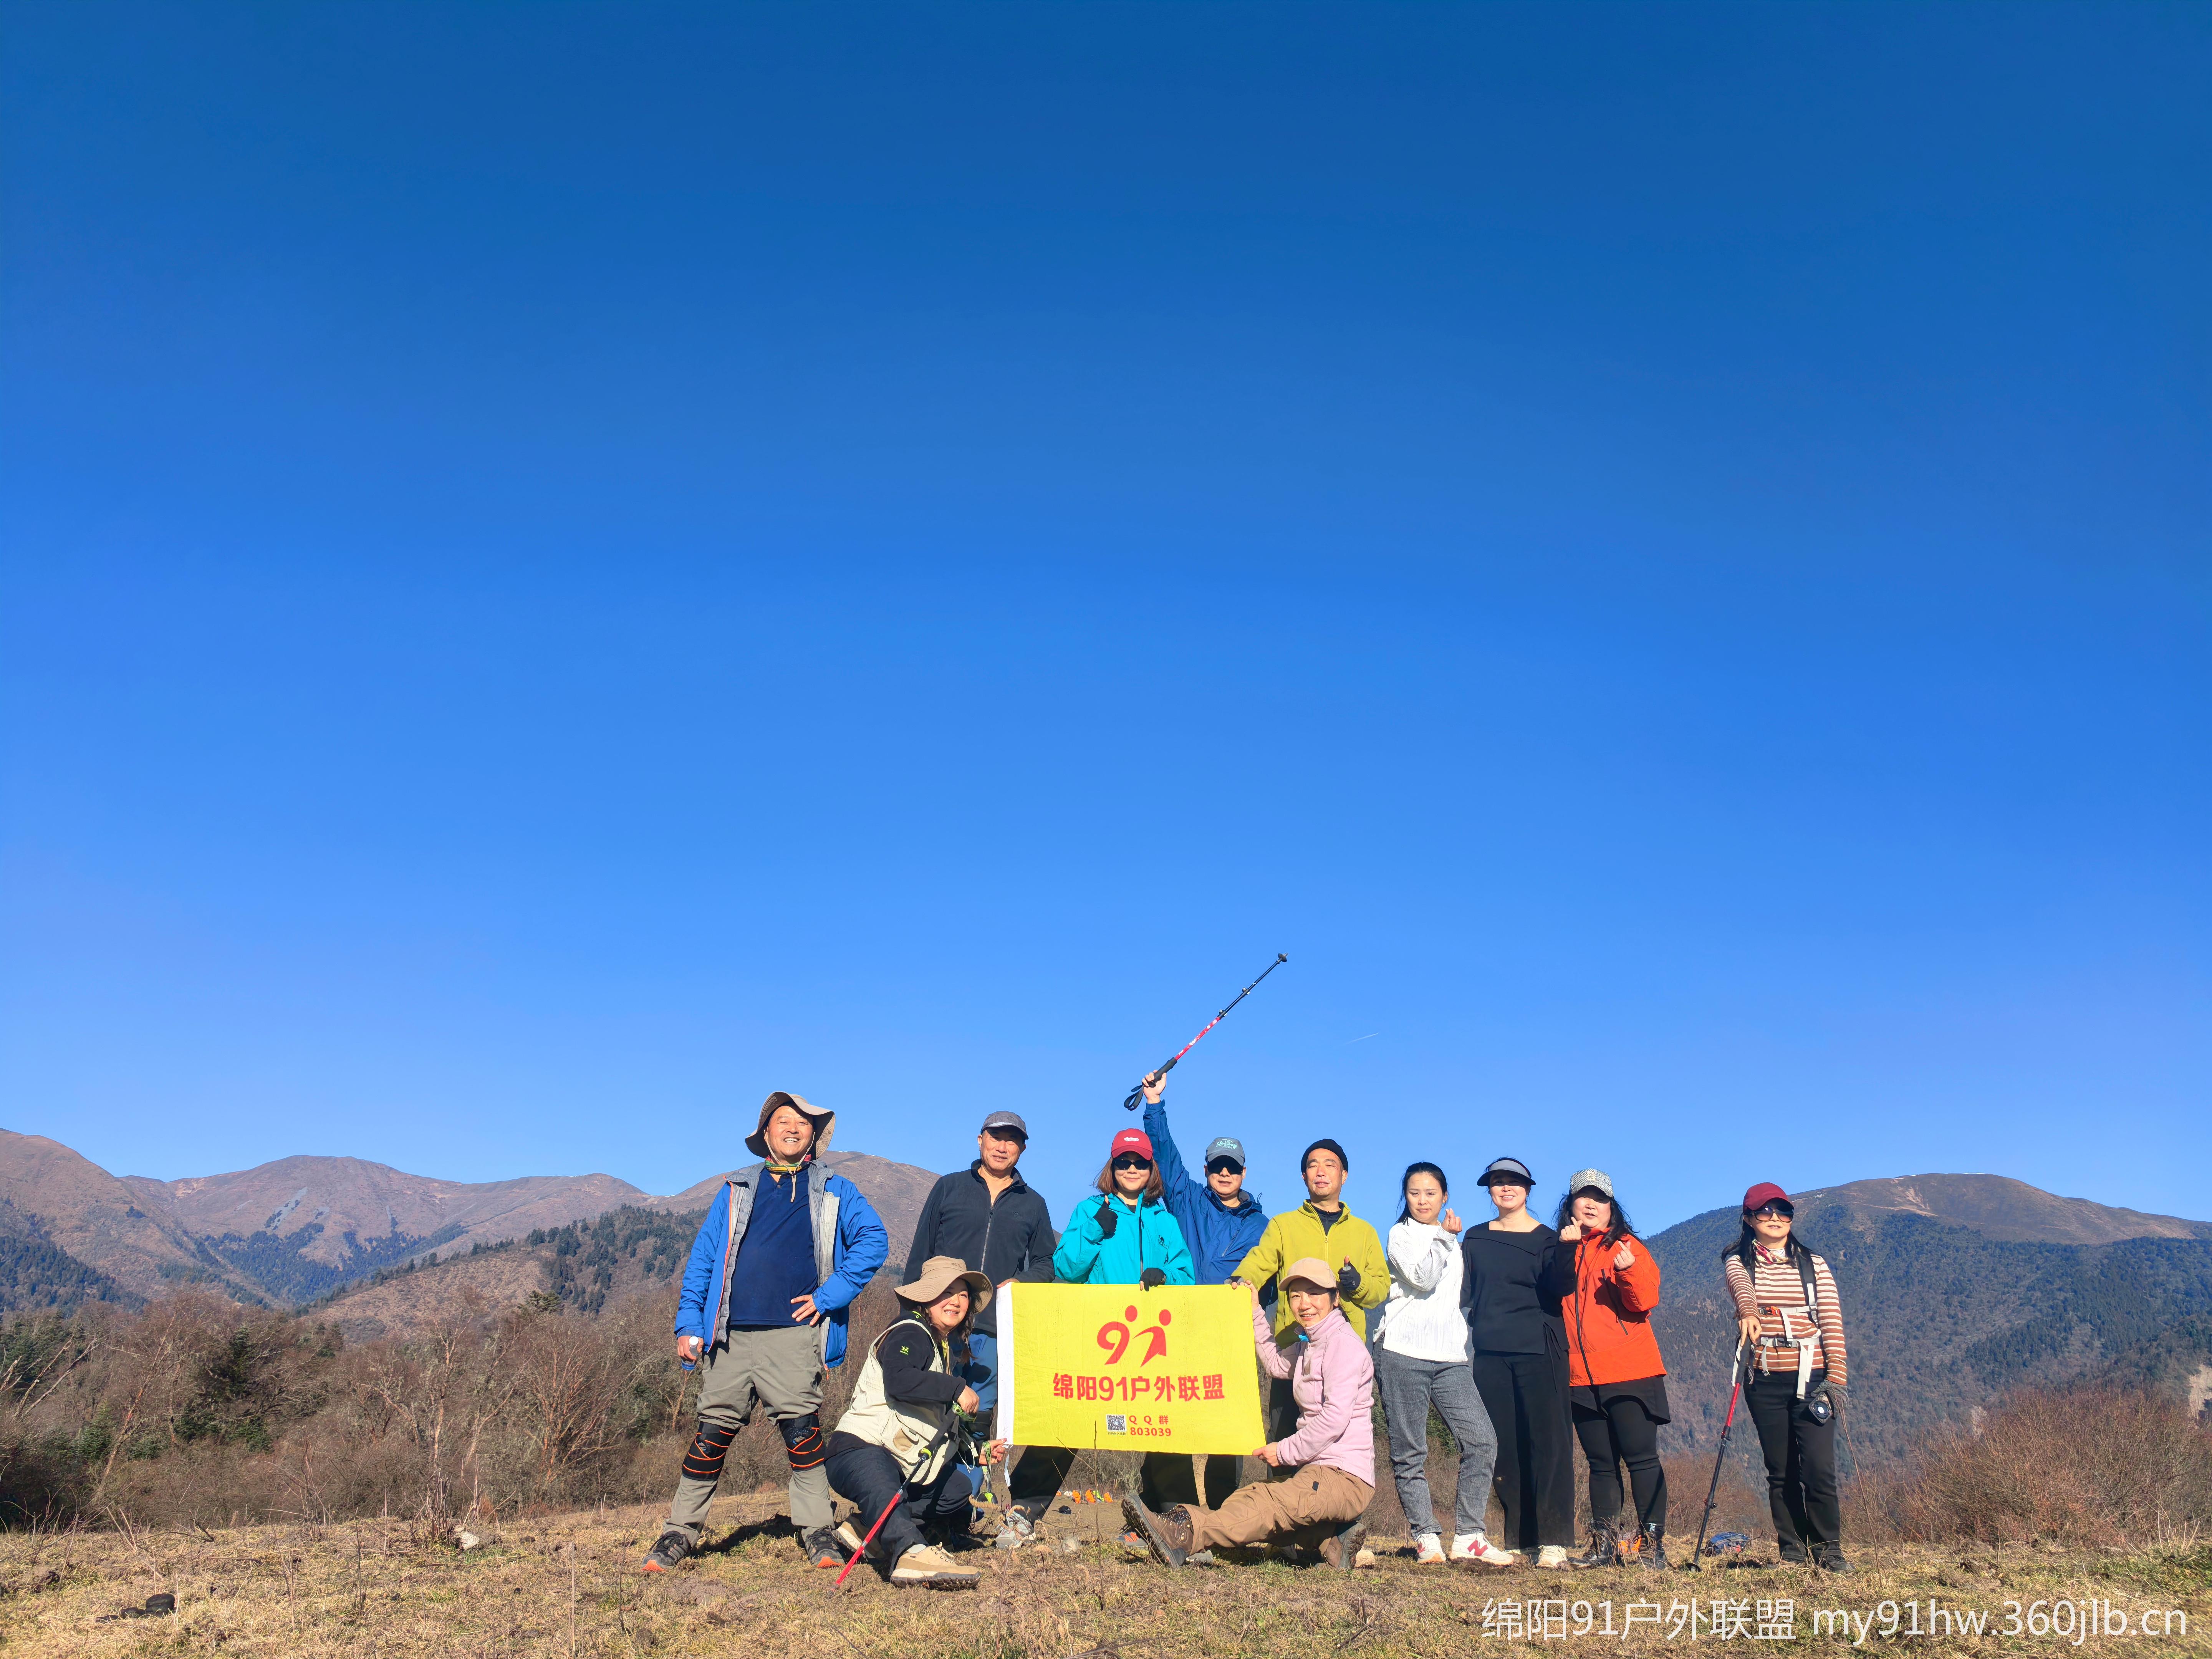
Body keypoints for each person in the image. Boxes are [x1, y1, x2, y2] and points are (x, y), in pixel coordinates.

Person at [643, 1091, 889, 1574]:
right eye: (783, 1120)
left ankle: (818, 1531)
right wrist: (690, 1323)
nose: (793, 1128)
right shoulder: (736, 1189)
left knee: (802, 1432)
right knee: (711, 1434)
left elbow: (874, 1241)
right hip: (729, 1336)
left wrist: (827, 1297)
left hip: (795, 1334)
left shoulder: (836, 1189)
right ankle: (679, 1532)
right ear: (766, 1133)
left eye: (803, 1122)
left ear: (813, 1135)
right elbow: (704, 1259)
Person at [1121, 1258, 1375, 1571]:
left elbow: (1334, 1419)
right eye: (1296, 1296)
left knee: (1267, 1506)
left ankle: (1183, 1535)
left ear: (1335, 1298)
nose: (1304, 1304)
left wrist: (1283, 1451)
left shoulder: (1343, 1346)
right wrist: (1254, 1310)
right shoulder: (1310, 1341)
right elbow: (1276, 1364)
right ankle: (1333, 1540)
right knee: (1252, 1497)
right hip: (1319, 1472)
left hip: (1344, 1477)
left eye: (1314, 1294)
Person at [904, 1110, 1063, 1549]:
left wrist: (1020, 1282)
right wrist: (910, 1314)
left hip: (993, 1331)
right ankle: (914, 1510)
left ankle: (958, 1516)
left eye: (1012, 1140)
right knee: (929, 1416)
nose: (1002, 1145)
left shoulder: (1034, 1204)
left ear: (1022, 1149)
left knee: (975, 1424)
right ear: (980, 1140)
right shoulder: (949, 1187)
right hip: (938, 1325)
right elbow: (920, 1251)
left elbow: (1046, 1264)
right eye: (996, 1137)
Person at [824, 1255, 1007, 1588]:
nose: (956, 1302)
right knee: (882, 1479)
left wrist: (976, 1451)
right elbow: (900, 1379)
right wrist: (956, 1388)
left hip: (898, 1461)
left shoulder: (939, 1347)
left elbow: (933, 1424)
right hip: (861, 1450)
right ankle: (911, 1552)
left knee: (956, 1489)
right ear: (926, 1297)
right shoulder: (910, 1331)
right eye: (946, 1292)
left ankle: (867, 1528)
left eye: (963, 1295)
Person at [1138, 1070, 1268, 1510]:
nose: (1224, 1173)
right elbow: (1164, 1155)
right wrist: (1154, 1105)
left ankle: (1223, 1517)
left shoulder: (1261, 1226)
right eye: (1217, 1166)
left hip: (1230, 1336)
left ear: (1244, 1172)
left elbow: (1268, 1282)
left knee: (1227, 1429)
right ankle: (1164, 1509)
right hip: (1180, 1327)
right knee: (1171, 1420)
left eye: (1232, 1167)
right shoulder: (1188, 1199)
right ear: (1207, 1169)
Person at [1374, 1162, 1513, 1566]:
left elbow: (1462, 1294)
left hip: (1451, 1356)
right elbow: (1423, 1279)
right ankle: (1426, 1536)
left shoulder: (1457, 1242)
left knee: (1482, 1440)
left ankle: (1469, 1536)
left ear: (1445, 1196)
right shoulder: (1400, 1235)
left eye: (1431, 1193)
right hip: (1401, 1350)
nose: (1422, 1200)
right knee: (1410, 1451)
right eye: (1414, 1193)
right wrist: (1446, 1239)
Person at [1053, 1125, 1195, 1517]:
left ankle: (1179, 1519)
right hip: (1101, 1342)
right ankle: (1025, 1510)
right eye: (1124, 1162)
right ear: (1112, 1166)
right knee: (1068, 1422)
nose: (1132, 1169)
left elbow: (1187, 1276)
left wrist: (1165, 1277)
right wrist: (1095, 1230)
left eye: (1140, 1162)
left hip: (1153, 1345)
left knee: (1165, 1428)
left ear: (1152, 1169)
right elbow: (1066, 1269)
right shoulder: (1089, 1211)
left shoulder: (1164, 1220)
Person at [1542, 1169, 1670, 1570]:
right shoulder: (1562, 1247)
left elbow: (1645, 1301)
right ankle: (1604, 1547)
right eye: (1584, 1197)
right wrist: (1565, 1249)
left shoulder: (1627, 1246)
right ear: (1571, 1205)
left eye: (1600, 1199)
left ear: (1612, 1207)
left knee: (1641, 1459)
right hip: (1580, 1376)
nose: (1591, 1205)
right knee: (1600, 1465)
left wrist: (1628, 1270)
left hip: (1630, 1371)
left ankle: (1651, 1546)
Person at [1724, 1182, 1851, 1573]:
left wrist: (1836, 1379)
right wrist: (1749, 1312)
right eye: (1765, 1211)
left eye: (1783, 1211)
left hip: (1813, 1378)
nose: (1775, 1218)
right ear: (1749, 1219)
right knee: (1780, 1471)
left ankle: (1829, 1551)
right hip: (1763, 1378)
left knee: (1819, 1469)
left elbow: (1831, 1321)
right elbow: (1741, 1289)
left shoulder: (1814, 1264)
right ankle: (1792, 1551)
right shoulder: (1739, 1262)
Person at [1460, 1156, 1575, 1569]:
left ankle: (1554, 1540)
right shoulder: (1474, 1238)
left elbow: (1562, 1287)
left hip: (1540, 1349)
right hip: (1490, 1352)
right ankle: (1520, 1539)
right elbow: (1462, 1293)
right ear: (1489, 1190)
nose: (1506, 1188)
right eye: (1498, 1182)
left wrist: (1568, 1249)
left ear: (1528, 1190)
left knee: (1549, 1444)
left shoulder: (1549, 1239)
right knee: (1503, 1446)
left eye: (1514, 1182)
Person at [1232, 1139, 1389, 1442]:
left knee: (1340, 1444)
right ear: (1304, 1177)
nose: (1321, 1172)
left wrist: (1358, 1284)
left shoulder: (1365, 1232)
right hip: (1293, 1352)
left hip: (1343, 1357)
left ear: (1344, 1176)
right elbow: (1259, 1262)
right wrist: (1240, 1280)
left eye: (1330, 1165)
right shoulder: (1283, 1225)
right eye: (1313, 1166)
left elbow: (1381, 1289)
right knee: (1283, 1444)